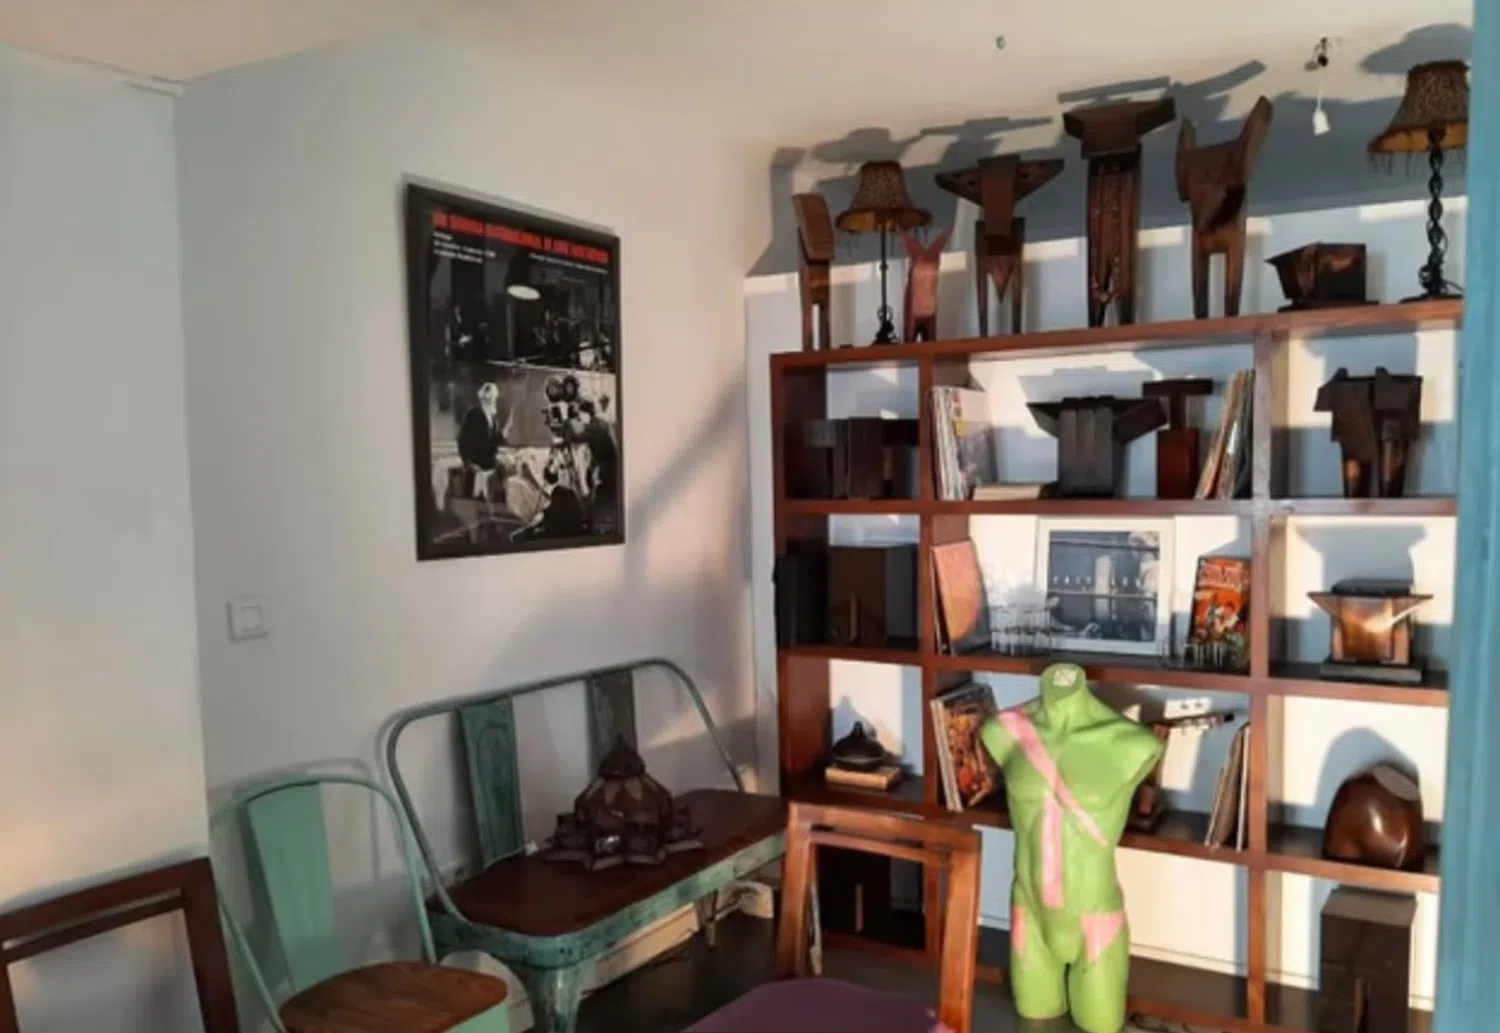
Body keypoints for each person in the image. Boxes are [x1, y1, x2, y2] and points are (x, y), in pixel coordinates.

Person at [457, 382, 512, 499]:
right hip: (475, 465)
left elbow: (492, 441)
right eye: (491, 398)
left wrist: (503, 433)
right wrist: (468, 463)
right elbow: (462, 440)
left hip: (490, 464)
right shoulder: (473, 414)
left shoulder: (493, 416)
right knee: (473, 500)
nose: (493, 401)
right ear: (483, 398)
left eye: (494, 398)